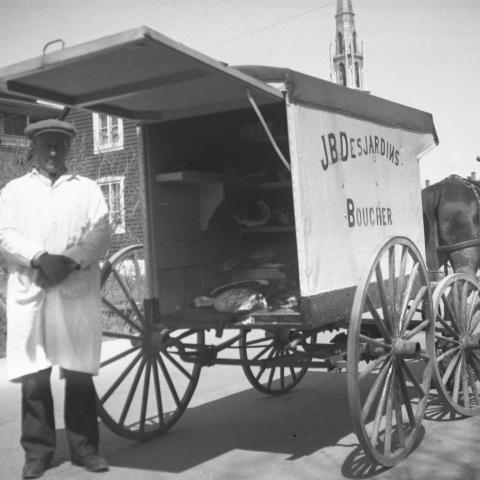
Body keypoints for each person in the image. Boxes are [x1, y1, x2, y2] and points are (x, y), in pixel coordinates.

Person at [0, 119, 112, 479]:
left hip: (74, 291)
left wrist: (68, 261)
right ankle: (38, 453)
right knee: (33, 375)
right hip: (31, 291)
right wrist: (39, 257)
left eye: (59, 146)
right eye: (46, 145)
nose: (52, 152)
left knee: (78, 370)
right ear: (33, 149)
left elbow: (101, 232)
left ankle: (85, 450)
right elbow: (4, 234)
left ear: (68, 150)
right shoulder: (14, 192)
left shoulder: (87, 189)